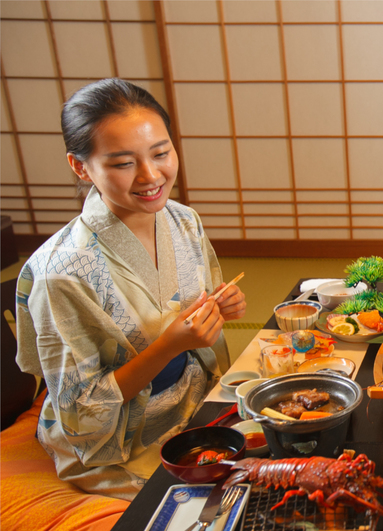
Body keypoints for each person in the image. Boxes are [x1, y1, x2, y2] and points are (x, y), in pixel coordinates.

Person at [15, 78, 246, 500]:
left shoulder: (182, 220)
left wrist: (221, 306)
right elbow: (82, 413)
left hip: (194, 397)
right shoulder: (62, 272)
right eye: (123, 163)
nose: (151, 176)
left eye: (161, 153)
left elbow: (199, 309)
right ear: (80, 167)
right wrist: (168, 346)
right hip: (122, 437)